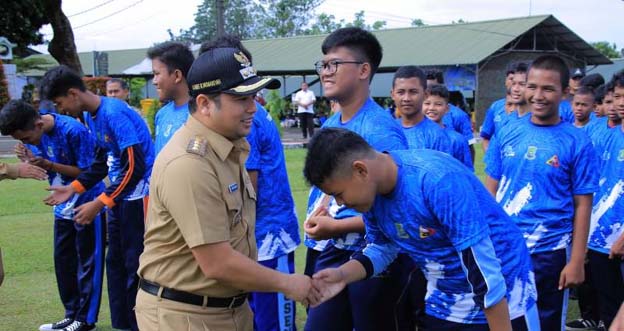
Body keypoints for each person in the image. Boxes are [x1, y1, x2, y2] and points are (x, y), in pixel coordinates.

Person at [135, 46, 311, 331]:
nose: (253, 107)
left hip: (224, 309)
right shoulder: (189, 163)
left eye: (253, 96)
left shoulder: (228, 148)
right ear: (204, 104)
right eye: (241, 98)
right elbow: (217, 263)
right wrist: (289, 283)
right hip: (185, 315)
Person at [304, 128, 539, 331]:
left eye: (338, 195)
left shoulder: (436, 181)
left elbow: (484, 270)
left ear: (360, 170)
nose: (340, 204)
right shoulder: (371, 196)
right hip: (446, 300)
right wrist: (342, 275)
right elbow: (382, 247)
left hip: (505, 294)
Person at [304, 27, 410, 331]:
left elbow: (395, 210)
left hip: (372, 253)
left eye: (335, 64)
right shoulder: (332, 123)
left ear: (364, 70)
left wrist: (335, 226)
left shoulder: (380, 130)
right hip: (331, 247)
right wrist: (319, 212)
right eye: (323, 65)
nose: (325, 72)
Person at [484, 55, 599, 330]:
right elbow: (490, 191)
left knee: (544, 322)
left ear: (565, 92)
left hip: (551, 252)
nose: (538, 95)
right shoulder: (508, 131)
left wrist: (576, 261)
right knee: (503, 319)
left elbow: (583, 204)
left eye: (548, 88)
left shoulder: (577, 141)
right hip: (505, 246)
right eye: (531, 86)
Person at [40, 65, 155, 331]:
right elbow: (103, 163)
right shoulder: (91, 116)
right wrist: (75, 188)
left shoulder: (113, 113)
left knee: (133, 264)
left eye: (60, 103)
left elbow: (135, 167)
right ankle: (123, 324)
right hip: (119, 197)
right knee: (114, 263)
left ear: (72, 94)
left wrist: (100, 202)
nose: (61, 110)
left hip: (139, 198)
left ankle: (141, 324)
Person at [199, 34, 302, 331]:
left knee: (274, 323)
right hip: (253, 236)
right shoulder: (235, 117)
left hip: (269, 234)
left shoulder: (247, 120)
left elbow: (249, 187)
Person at [0, 100, 106, 331]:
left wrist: (48, 164)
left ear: (38, 124)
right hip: (62, 208)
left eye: (26, 139)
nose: (25, 142)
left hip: (87, 205)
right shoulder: (36, 132)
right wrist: (29, 157)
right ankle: (71, 315)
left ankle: (86, 320)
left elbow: (90, 171)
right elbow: (46, 162)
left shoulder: (72, 130)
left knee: (88, 264)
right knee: (64, 263)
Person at [585, 72, 624, 330]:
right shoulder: (606, 133)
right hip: (601, 238)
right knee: (610, 308)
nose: (620, 102)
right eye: (618, 96)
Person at [147, 41, 195, 154]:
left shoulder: (198, 116)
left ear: (177, 75)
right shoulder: (162, 113)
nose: (154, 81)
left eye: (157, 74)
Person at [391, 66, 451, 153]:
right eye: (401, 92)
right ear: (392, 95)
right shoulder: (386, 130)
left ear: (425, 94)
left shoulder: (437, 135)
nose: (406, 98)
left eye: (413, 92)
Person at [426, 70, 476, 162]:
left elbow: (469, 147)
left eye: (433, 87)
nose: (429, 91)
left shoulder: (458, 115)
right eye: (425, 87)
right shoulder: (418, 113)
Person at [481, 62, 529, 153]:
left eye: (522, 83)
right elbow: (485, 137)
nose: (515, 87)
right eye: (512, 80)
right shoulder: (496, 107)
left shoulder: (536, 113)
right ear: (505, 80)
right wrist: (493, 158)